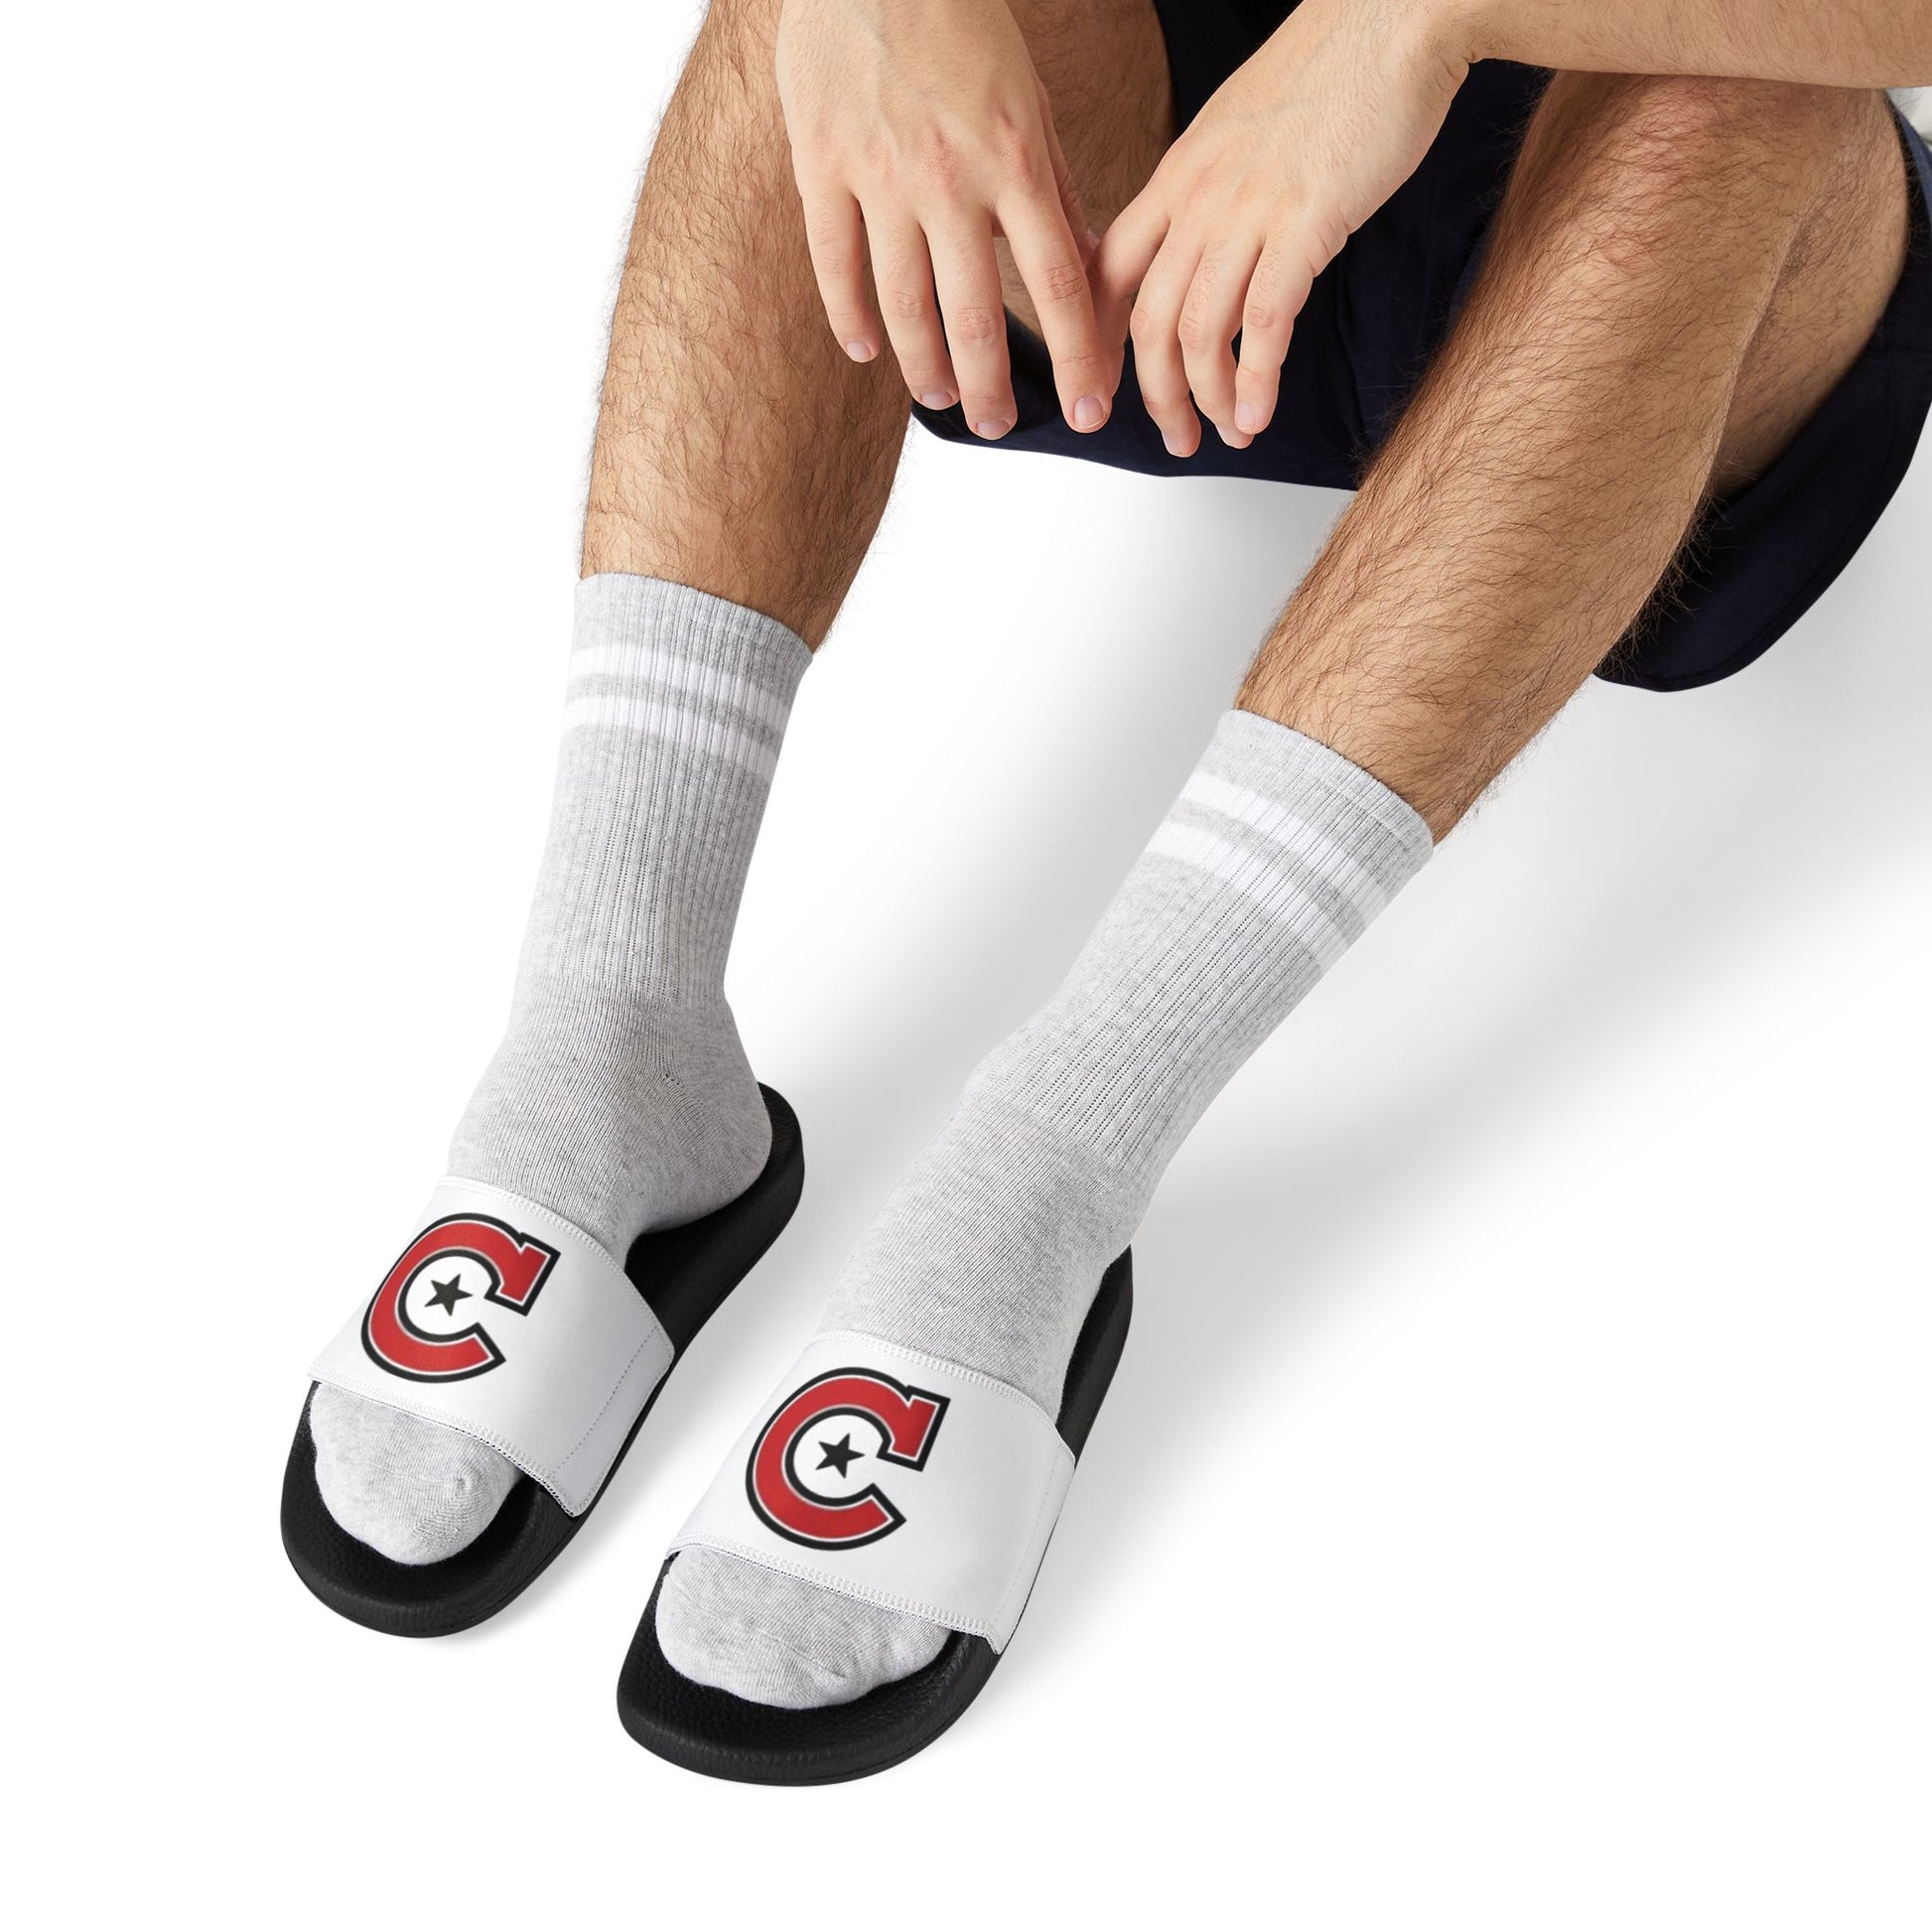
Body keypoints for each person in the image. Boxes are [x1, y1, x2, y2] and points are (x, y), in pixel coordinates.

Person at [288, 0, 1932, 1737]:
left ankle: (1044, 1161)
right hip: (1193, 206)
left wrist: (1410, 26)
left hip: (1673, 236)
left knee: (1721, 105)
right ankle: (615, 1028)